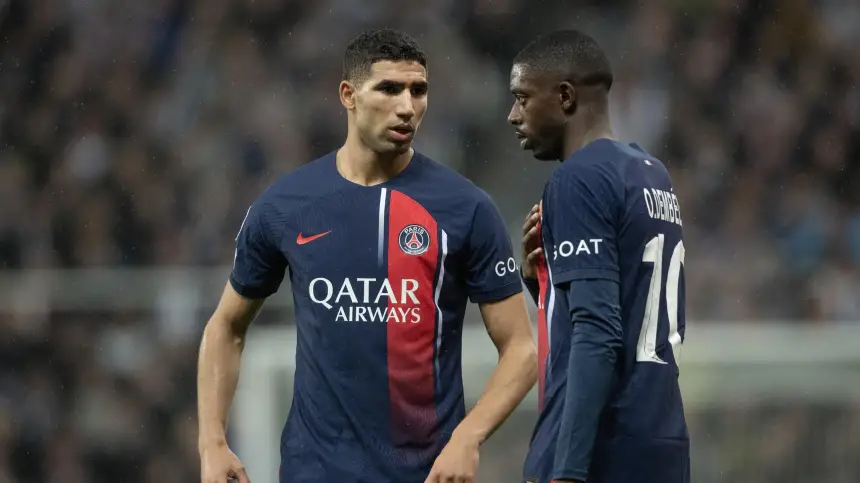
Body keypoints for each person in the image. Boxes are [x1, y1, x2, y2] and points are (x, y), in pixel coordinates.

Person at [197, 28, 537, 483]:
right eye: (389, 89)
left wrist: (467, 437)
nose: (407, 106)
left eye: (418, 90)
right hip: (314, 472)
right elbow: (226, 326)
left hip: (426, 474)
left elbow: (521, 348)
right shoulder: (285, 206)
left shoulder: (466, 209)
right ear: (348, 95)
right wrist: (212, 443)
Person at [507, 30, 691, 483]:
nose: (513, 115)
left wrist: (567, 469)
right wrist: (543, 280)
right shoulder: (651, 173)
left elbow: (597, 332)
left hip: (602, 450)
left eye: (522, 98)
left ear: (565, 97)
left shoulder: (580, 178)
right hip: (661, 440)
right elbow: (630, 302)